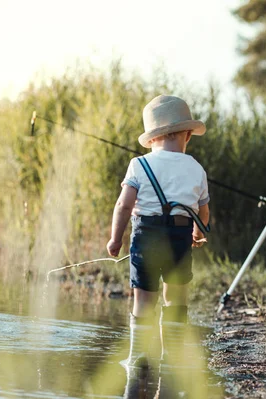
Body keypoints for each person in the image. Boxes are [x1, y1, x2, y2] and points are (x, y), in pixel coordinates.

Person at [106, 94, 210, 368]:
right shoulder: (196, 168)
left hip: (147, 235)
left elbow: (123, 205)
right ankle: (172, 359)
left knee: (144, 299)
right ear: (187, 134)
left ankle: (137, 356)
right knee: (176, 297)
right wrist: (198, 235)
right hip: (179, 236)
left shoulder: (138, 165)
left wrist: (115, 238)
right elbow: (203, 211)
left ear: (152, 139)